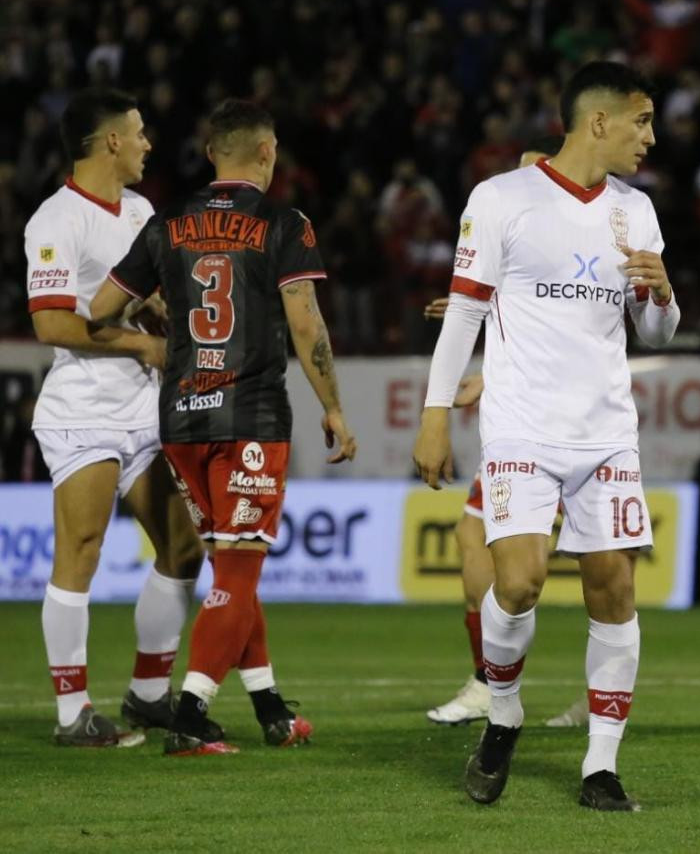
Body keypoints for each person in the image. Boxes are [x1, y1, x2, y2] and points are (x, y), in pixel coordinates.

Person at [413, 61, 679, 811]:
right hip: (522, 425)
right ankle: (502, 713)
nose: (651, 138)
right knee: (519, 580)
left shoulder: (638, 211)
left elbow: (656, 333)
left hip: (605, 433)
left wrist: (661, 292)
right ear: (599, 122)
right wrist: (436, 413)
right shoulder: (501, 199)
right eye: (642, 121)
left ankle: (600, 765)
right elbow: (464, 311)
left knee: (615, 587)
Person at [88, 99, 357, 755]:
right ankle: (187, 715)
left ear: (212, 153)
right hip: (252, 417)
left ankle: (269, 707)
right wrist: (333, 404)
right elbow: (305, 322)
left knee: (233, 568)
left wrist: (162, 308)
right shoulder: (282, 222)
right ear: (268, 153)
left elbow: (99, 309)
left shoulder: (169, 221)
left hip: (181, 419)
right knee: (238, 572)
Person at [23, 88, 205, 747]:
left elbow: (144, 294)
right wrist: (140, 342)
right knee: (83, 549)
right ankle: (73, 713)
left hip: (145, 407)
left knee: (183, 546)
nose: (149, 143)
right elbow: (50, 322)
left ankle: (150, 694)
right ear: (111, 143)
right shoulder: (55, 219)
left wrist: (159, 309)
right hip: (85, 411)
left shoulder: (140, 209)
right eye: (139, 132)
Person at [423, 135, 589, 730]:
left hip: (571, 428)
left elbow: (565, 340)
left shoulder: (586, 232)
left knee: (598, 571)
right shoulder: (522, 239)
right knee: (475, 544)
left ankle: (599, 696)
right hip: (517, 422)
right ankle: (484, 682)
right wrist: (484, 366)